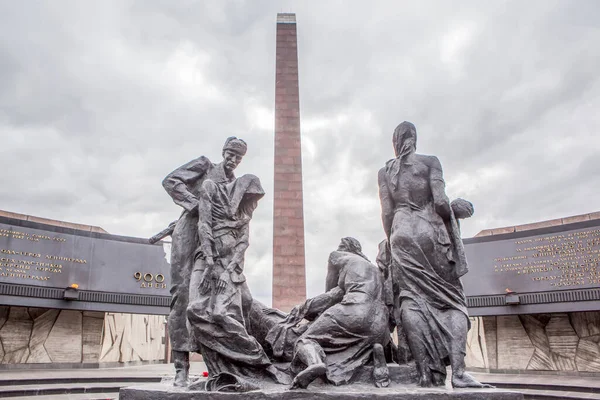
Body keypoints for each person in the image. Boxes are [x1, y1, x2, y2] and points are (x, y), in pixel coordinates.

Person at [377, 121, 491, 388]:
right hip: (429, 232)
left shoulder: (385, 172)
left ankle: (425, 374)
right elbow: (440, 201)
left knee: (411, 300)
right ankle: (459, 373)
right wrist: (453, 213)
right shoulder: (430, 162)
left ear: (395, 142)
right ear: (414, 139)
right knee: (453, 301)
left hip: (401, 233)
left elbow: (386, 213)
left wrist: (394, 241)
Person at [185, 160, 290, 391]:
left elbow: (243, 245)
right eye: (249, 198)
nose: (251, 203)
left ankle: (257, 361)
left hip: (229, 272)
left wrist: (228, 271)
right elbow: (204, 226)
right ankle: (223, 368)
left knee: (222, 315)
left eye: (254, 199)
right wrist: (211, 264)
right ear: (239, 193)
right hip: (209, 263)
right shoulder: (212, 190)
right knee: (196, 312)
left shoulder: (243, 218)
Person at [161, 136, 248, 387]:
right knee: (182, 295)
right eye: (230, 154)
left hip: (219, 239)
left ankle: (219, 361)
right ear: (223, 152)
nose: (233, 160)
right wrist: (197, 206)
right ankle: (181, 367)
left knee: (215, 299)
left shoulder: (235, 184)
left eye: (238, 157)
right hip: (190, 233)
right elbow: (171, 181)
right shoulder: (204, 166)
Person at [271, 238, 390, 389]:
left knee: (305, 340)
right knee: (352, 340)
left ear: (343, 247)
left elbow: (331, 294)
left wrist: (303, 309)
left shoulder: (338, 256)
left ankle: (315, 364)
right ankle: (376, 353)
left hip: (354, 310)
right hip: (380, 324)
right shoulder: (374, 269)